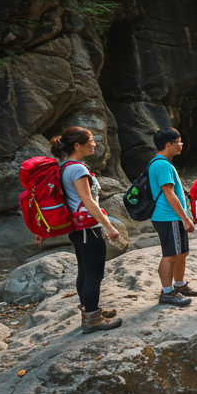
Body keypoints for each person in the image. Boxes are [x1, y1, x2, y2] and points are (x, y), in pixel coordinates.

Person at [52, 127, 122, 333]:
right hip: (88, 228)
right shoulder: (78, 169)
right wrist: (108, 227)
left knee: (85, 271)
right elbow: (88, 201)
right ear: (77, 145)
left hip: (76, 228)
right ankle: (92, 320)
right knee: (93, 275)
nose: (94, 144)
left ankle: (91, 311)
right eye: (90, 140)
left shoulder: (65, 166)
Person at [149, 128, 197, 307]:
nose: (181, 145)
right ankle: (167, 292)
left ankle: (179, 285)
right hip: (168, 216)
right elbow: (168, 193)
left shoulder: (162, 163)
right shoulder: (162, 165)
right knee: (170, 255)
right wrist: (185, 217)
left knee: (181, 253)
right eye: (178, 141)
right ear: (168, 144)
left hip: (170, 216)